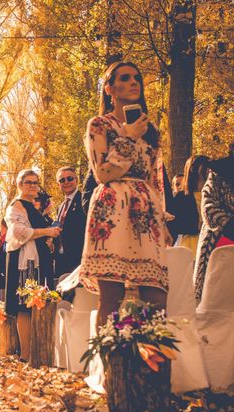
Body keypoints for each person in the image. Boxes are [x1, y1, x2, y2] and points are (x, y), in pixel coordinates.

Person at [79, 61, 169, 330]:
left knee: (156, 295)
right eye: (125, 78)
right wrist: (128, 137)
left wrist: (162, 218)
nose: (133, 83)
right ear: (109, 88)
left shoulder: (151, 129)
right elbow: (102, 173)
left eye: (137, 79)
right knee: (112, 296)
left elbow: (155, 178)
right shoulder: (99, 125)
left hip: (146, 212)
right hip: (111, 210)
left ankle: (149, 363)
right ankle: (112, 366)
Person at [4, 169, 61, 360]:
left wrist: (50, 238)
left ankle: (39, 351)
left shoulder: (33, 206)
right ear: (20, 185)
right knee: (25, 306)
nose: (32, 186)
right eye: (28, 182)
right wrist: (46, 232)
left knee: (39, 304)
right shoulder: (16, 206)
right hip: (26, 262)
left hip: (40, 260)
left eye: (35, 182)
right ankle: (25, 354)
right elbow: (19, 232)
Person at [193, 157, 234, 302]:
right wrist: (229, 225)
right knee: (214, 299)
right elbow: (209, 209)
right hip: (218, 240)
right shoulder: (218, 174)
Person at [54, 166, 86, 277]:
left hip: (79, 259)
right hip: (62, 260)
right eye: (62, 180)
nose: (66, 182)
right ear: (58, 185)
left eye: (70, 178)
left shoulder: (84, 200)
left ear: (76, 180)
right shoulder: (60, 207)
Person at [168, 157, 204, 252]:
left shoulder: (214, 195)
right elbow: (175, 224)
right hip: (191, 245)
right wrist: (198, 226)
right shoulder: (182, 198)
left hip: (214, 243)